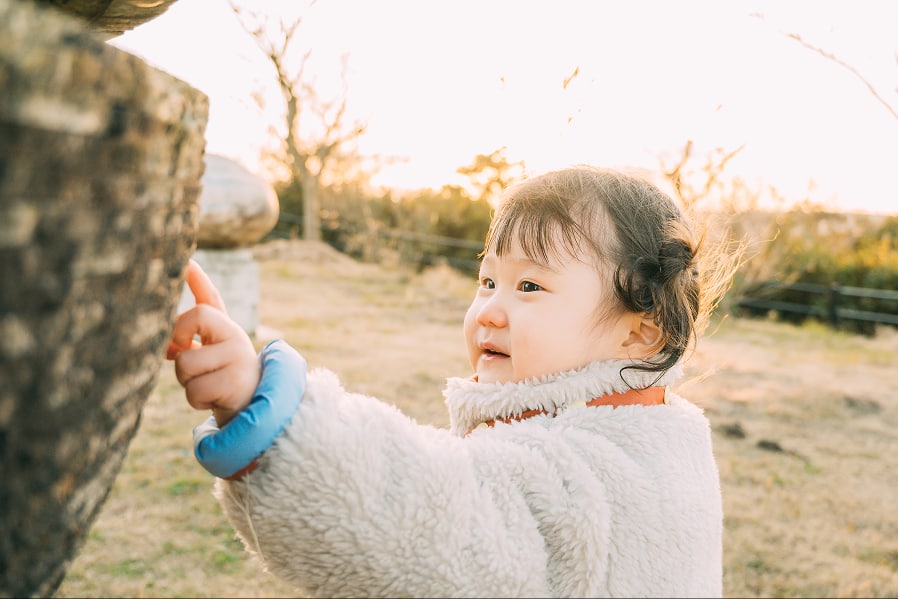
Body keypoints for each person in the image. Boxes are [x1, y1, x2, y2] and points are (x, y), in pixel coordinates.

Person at [168, 165, 738, 598]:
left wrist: (270, 416)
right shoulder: (655, 434)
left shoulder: (581, 474)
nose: (489, 310)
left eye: (530, 288)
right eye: (487, 280)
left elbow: (420, 521)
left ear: (639, 335)